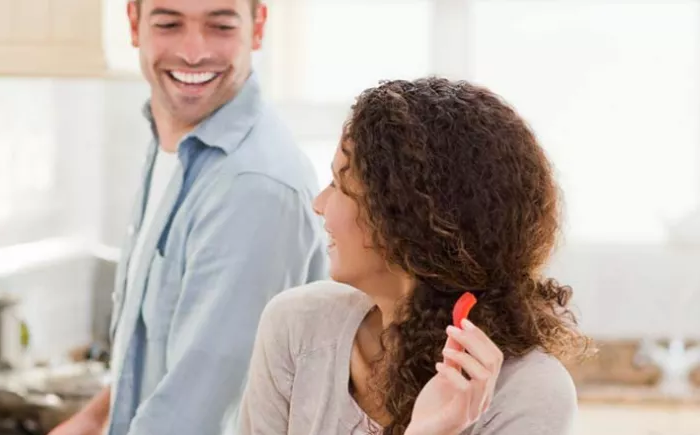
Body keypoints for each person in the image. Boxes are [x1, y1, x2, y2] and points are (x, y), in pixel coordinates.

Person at [240, 78, 592, 435]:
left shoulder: (529, 392)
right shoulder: (297, 327)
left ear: (401, 218)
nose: (319, 205)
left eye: (338, 185)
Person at [50, 0, 325, 434]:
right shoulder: (180, 144)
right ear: (134, 23)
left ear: (257, 28)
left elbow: (194, 416)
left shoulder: (252, 186)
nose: (194, 52)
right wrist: (94, 418)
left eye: (219, 25)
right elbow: (157, 349)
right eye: (169, 23)